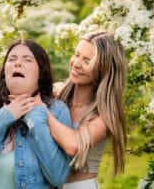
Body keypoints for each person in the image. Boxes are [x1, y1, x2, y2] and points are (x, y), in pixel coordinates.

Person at [0, 39, 72, 188]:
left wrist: (36, 118)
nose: (17, 63)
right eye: (12, 59)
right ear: (5, 70)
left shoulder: (57, 111)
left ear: (40, 73)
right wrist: (4, 116)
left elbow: (58, 177)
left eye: (27, 59)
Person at [47, 31, 127, 188]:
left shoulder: (105, 116)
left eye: (87, 60)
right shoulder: (55, 94)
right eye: (76, 55)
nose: (76, 63)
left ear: (104, 69)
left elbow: (73, 145)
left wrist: (40, 110)